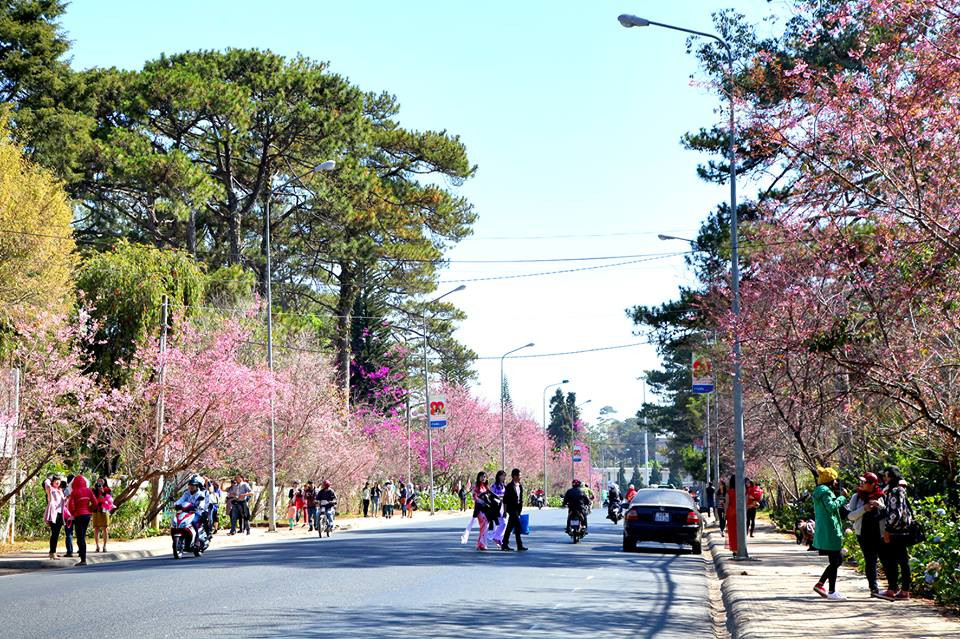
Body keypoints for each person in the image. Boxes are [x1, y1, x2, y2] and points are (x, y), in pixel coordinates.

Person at [846, 471, 886, 597]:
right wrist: (864, 509)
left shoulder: (880, 496)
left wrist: (878, 505)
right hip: (863, 533)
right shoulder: (856, 497)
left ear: (873, 484)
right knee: (870, 560)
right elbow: (850, 516)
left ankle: (892, 588)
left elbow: (887, 512)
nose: (861, 484)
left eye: (864, 482)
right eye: (861, 481)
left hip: (879, 533)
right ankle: (873, 588)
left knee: (885, 559)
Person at [811, 466, 848, 601]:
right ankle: (831, 591)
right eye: (835, 480)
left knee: (836, 560)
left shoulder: (819, 491)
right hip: (830, 531)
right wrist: (842, 498)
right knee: (836, 560)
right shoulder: (826, 493)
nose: (837, 483)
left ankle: (822, 585)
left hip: (826, 530)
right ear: (830, 481)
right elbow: (831, 507)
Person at [878, 466, 913, 601]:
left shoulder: (894, 491)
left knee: (894, 560)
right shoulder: (900, 490)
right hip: (902, 531)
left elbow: (894, 513)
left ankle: (897, 590)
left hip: (895, 532)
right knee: (902, 560)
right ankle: (900, 590)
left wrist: (887, 530)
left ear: (890, 476)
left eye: (886, 476)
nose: (884, 478)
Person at [66, 475, 98, 566]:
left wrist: (73, 513)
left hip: (78, 515)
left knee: (80, 537)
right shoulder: (89, 490)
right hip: (87, 515)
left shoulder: (74, 492)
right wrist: (90, 509)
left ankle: (83, 559)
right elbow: (95, 503)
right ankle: (82, 556)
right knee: (82, 535)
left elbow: (71, 506)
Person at [174, 474, 208, 547]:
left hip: (197, 512)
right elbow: (181, 500)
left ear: (196, 486)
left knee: (193, 522)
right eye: (190, 486)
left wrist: (200, 506)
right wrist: (176, 504)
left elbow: (202, 502)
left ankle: (197, 539)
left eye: (193, 486)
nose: (191, 487)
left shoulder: (200, 494)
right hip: (186, 512)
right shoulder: (186, 493)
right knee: (179, 521)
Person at [502, 469, 527, 551]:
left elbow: (520, 498)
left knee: (510, 527)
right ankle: (519, 545)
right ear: (514, 476)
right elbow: (505, 500)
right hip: (511, 509)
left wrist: (520, 509)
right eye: (519, 475)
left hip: (517, 510)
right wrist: (505, 512)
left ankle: (505, 544)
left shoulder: (520, 486)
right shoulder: (509, 486)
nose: (520, 477)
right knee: (518, 526)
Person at [43, 475, 65, 560]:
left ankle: (52, 551)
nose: (58, 482)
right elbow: (46, 484)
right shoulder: (50, 490)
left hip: (60, 514)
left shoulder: (60, 491)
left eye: (59, 480)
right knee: (54, 534)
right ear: (52, 481)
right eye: (56, 480)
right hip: (53, 514)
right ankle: (52, 552)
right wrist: (49, 478)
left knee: (56, 533)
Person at [91, 477, 112, 553]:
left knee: (105, 528)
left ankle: (104, 546)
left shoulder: (108, 490)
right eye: (98, 480)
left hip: (104, 510)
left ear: (104, 481)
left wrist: (103, 493)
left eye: (101, 480)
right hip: (96, 510)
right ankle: (97, 546)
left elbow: (110, 499)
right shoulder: (93, 490)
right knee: (96, 528)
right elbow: (92, 498)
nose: (100, 481)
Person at [486, 471, 507, 548]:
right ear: (498, 476)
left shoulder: (504, 486)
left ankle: (497, 538)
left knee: (503, 523)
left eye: (505, 476)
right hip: (496, 507)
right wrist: (500, 497)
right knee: (499, 524)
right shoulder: (494, 486)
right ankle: (497, 538)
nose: (504, 477)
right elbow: (491, 496)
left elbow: (506, 497)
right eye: (503, 476)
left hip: (503, 507)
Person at [472, 472, 490, 550]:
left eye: (485, 477)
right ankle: (481, 543)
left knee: (485, 526)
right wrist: (481, 502)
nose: (483, 478)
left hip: (486, 509)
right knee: (483, 524)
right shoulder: (476, 487)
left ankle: (481, 543)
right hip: (479, 509)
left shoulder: (486, 487)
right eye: (482, 476)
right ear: (478, 477)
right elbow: (475, 497)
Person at [63, 473, 75, 558]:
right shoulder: (78, 490)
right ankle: (80, 550)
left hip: (68, 514)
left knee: (69, 533)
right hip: (77, 513)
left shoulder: (66, 490)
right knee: (78, 533)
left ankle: (69, 551)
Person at [725, 476, 738, 553]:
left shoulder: (729, 492)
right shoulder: (741, 491)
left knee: (732, 532)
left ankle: (734, 549)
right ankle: (740, 547)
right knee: (739, 531)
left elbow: (727, 503)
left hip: (731, 513)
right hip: (739, 512)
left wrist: (725, 513)